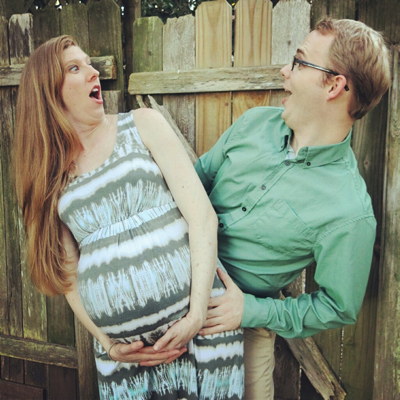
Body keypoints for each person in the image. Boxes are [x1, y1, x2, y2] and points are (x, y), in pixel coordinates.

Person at [13, 35, 244, 400]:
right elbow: (68, 274)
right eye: (75, 67)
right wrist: (108, 343)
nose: (94, 73)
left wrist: (197, 314)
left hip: (199, 335)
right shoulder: (50, 176)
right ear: (47, 93)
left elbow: (202, 218)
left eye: (90, 63)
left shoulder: (142, 125)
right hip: (125, 362)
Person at [194, 17, 391, 400]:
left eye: (299, 62)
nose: (285, 71)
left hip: (242, 328)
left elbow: (337, 307)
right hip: (170, 286)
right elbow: (194, 181)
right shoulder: (252, 123)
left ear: (334, 85)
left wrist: (250, 311)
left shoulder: (349, 211)